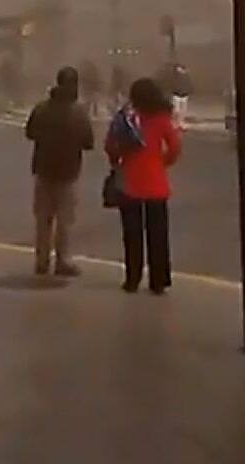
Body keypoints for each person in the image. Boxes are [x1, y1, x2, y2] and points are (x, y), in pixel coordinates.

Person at [105, 77, 181, 294]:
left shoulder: (126, 118)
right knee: (158, 235)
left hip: (130, 183)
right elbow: (175, 147)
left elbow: (110, 146)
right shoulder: (161, 118)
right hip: (156, 184)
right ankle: (158, 281)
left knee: (132, 235)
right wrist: (162, 162)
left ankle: (132, 279)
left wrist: (119, 159)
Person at [25, 66, 94, 278]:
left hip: (44, 169)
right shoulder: (78, 112)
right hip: (68, 171)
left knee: (43, 219)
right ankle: (62, 261)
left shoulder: (42, 108)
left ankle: (41, 261)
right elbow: (88, 142)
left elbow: (30, 133)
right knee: (65, 220)